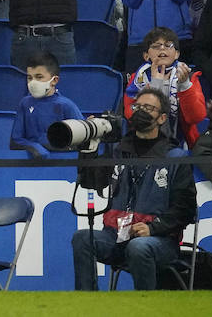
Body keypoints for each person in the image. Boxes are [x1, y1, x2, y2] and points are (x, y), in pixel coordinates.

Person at [70, 85, 196, 291]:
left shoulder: (175, 157)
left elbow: (186, 210)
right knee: (82, 238)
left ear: (162, 118)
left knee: (139, 246)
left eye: (149, 108)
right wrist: (88, 150)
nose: (141, 111)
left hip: (160, 240)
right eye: (138, 107)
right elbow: (92, 183)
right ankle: (88, 303)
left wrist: (153, 228)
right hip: (116, 236)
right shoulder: (119, 151)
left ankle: (144, 305)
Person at [11, 53, 84, 157]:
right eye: (29, 78)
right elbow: (15, 140)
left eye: (39, 77)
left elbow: (81, 140)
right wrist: (34, 147)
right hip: (32, 160)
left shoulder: (66, 105)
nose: (33, 82)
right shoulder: (25, 103)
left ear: (54, 80)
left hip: (62, 161)